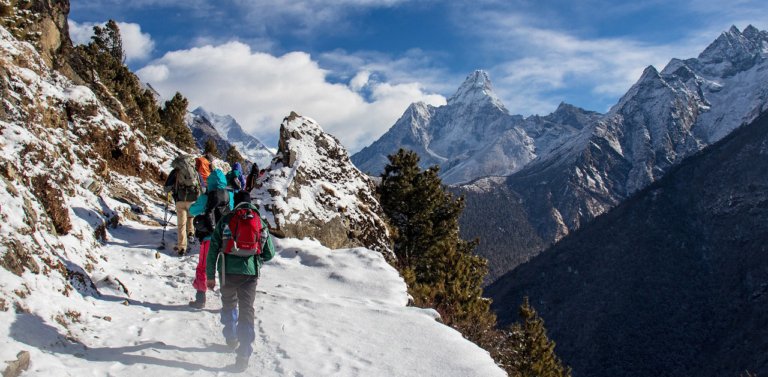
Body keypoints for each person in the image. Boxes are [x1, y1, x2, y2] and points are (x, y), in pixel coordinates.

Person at [207, 191, 275, 371]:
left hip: (227, 271)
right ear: (250, 203)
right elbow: (270, 253)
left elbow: (213, 249)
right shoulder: (259, 221)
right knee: (247, 311)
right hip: (250, 274)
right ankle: (243, 355)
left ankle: (231, 338)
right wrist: (255, 258)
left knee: (229, 304)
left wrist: (209, 276)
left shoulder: (226, 220)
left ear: (235, 203)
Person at [188, 169, 233, 309]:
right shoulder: (229, 196)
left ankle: (200, 298)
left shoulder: (206, 197)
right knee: (226, 269)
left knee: (203, 267)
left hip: (209, 238)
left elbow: (192, 210)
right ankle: (229, 302)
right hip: (225, 238)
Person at [163, 155, 201, 255]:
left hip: (180, 200)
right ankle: (191, 233)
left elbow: (166, 187)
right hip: (193, 199)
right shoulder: (194, 170)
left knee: (181, 225)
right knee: (191, 217)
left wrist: (170, 192)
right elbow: (201, 184)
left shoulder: (176, 171)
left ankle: (182, 247)